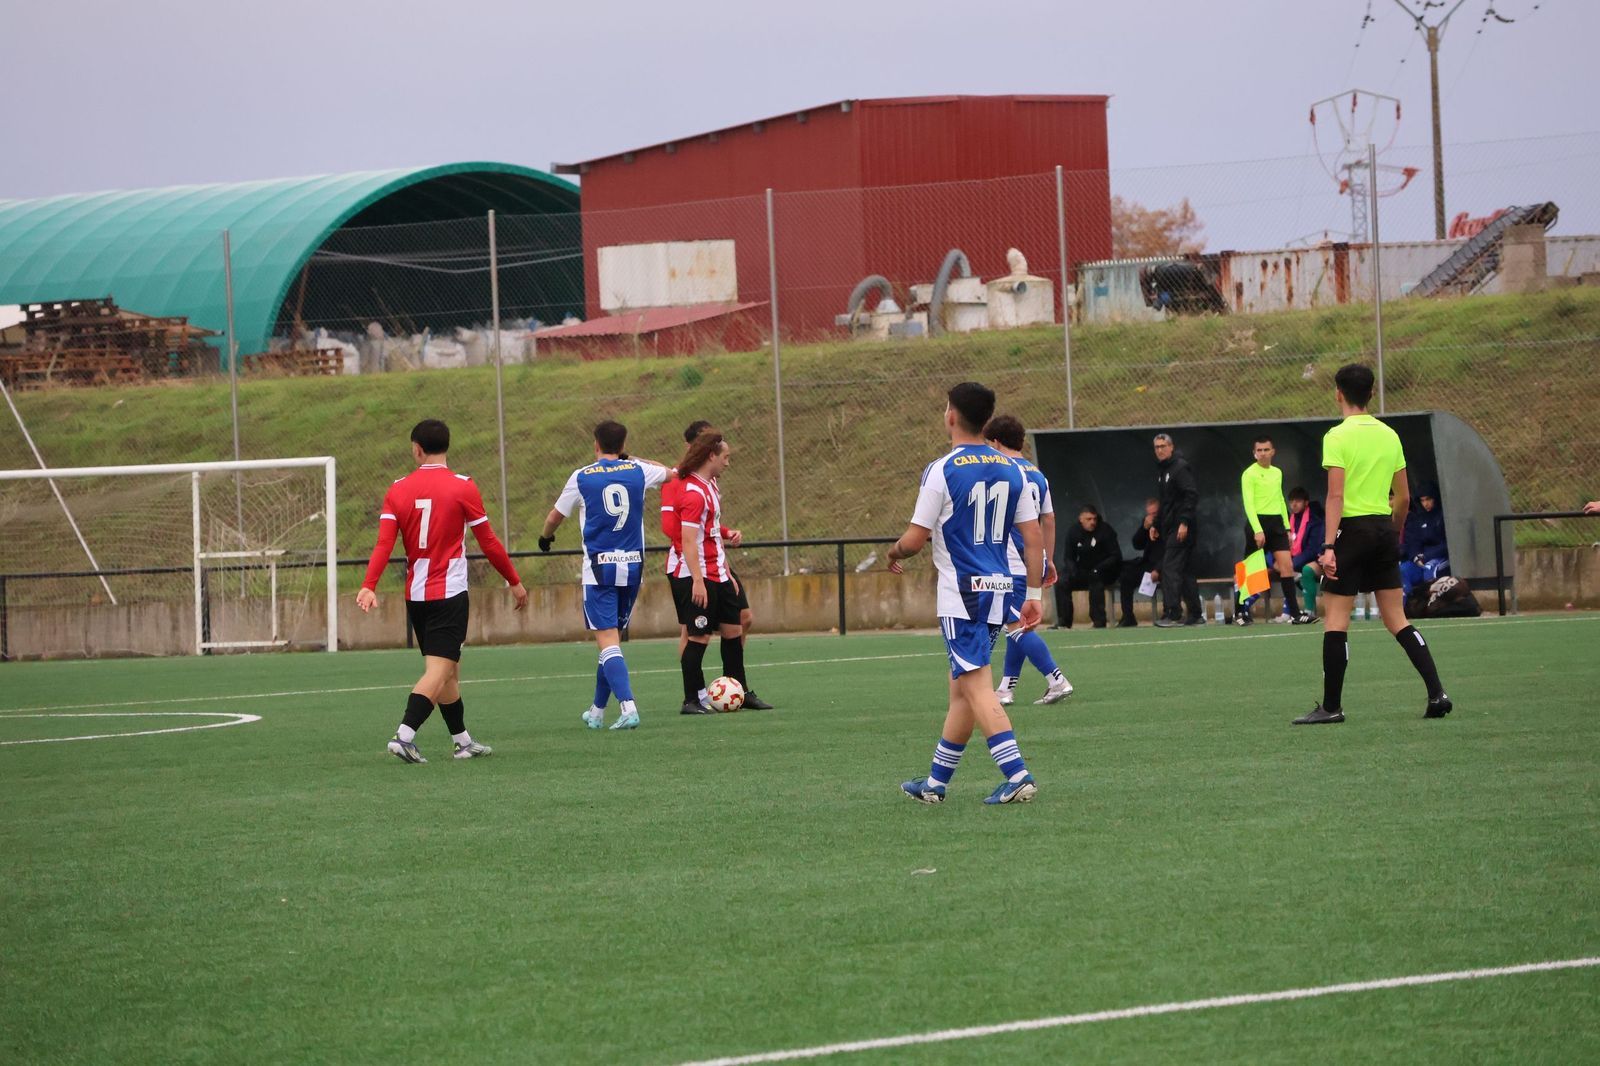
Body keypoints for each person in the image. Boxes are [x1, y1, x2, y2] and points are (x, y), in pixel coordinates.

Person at [889, 382, 1045, 806]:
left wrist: (894, 551)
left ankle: (1017, 775)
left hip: (962, 595)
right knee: (961, 687)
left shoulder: (942, 470)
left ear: (951, 416)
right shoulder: (1012, 468)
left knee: (976, 687)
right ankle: (935, 783)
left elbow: (915, 540)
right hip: (999, 590)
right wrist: (1034, 593)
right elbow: (1032, 536)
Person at [358, 419, 528, 763]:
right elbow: (488, 541)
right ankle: (404, 736)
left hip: (416, 596)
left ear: (416, 449)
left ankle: (463, 742)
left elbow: (384, 544)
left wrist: (369, 584)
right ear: (447, 446)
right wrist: (513, 580)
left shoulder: (397, 489)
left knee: (448, 670)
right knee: (438, 670)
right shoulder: (463, 486)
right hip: (449, 594)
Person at [1293, 364, 1452, 725]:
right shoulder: (1389, 435)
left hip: (1351, 530)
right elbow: (1404, 498)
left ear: (1338, 393)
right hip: (1382, 528)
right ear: (1370, 394)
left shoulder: (1336, 436)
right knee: (1397, 619)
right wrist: (1392, 532)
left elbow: (1336, 496)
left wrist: (1328, 546)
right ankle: (1437, 693)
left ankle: (1331, 707)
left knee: (1336, 620)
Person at [537, 421, 672, 731]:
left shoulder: (582, 476)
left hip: (599, 569)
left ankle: (628, 707)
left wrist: (545, 537)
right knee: (611, 642)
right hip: (633, 567)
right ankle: (597, 711)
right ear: (623, 445)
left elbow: (554, 516)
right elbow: (669, 472)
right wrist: (632, 458)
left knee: (608, 641)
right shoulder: (638, 470)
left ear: (595, 444)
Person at [660, 420, 773, 710]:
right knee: (698, 636)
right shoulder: (693, 493)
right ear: (711, 455)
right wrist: (698, 580)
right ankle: (691, 699)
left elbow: (709, 534)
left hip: (718, 573)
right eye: (725, 457)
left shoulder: (709, 487)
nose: (727, 463)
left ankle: (740, 691)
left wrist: (726, 573)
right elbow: (688, 540)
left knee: (734, 631)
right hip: (698, 575)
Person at [982, 414, 1072, 706]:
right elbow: (1049, 519)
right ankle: (1005, 689)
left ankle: (1056, 679)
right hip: (1035, 559)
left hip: (1010, 562)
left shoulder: (1001, 473)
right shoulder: (1038, 475)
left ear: (997, 442)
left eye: (990, 444)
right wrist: (1049, 559)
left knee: (1015, 624)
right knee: (1018, 624)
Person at [1238, 435, 1313, 625]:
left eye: (1266, 450)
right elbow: (1248, 503)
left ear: (1273, 452)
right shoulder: (1249, 474)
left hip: (1277, 524)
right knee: (1250, 570)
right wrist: (1257, 529)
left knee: (1287, 567)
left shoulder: (1277, 472)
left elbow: (1280, 499)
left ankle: (1295, 614)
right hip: (1258, 523)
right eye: (1259, 450)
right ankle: (1240, 612)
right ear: (1254, 453)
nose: (1263, 453)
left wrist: (1287, 528)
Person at [1151, 433, 1203, 627]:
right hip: (1171, 527)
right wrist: (1156, 523)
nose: (1160, 450)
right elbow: (1165, 502)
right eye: (1157, 447)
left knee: (1170, 569)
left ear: (1171, 447)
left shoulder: (1179, 468)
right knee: (1185, 571)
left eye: (1163, 446)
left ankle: (1173, 613)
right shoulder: (1163, 470)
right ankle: (1196, 614)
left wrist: (1184, 522)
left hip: (1181, 528)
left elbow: (1191, 495)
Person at [1060, 505, 1122, 628]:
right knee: (1063, 581)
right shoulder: (1074, 532)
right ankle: (1064, 621)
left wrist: (1099, 569)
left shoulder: (1105, 530)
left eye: (1094, 519)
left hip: (1104, 571)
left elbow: (1115, 556)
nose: (1092, 522)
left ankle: (1099, 621)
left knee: (1096, 580)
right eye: (1088, 519)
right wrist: (1073, 570)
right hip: (1083, 570)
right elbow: (1068, 557)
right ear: (1081, 519)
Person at [1399, 481, 1450, 598]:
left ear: (1435, 498)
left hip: (1441, 557)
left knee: (1430, 570)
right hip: (1421, 558)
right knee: (1402, 570)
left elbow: (1449, 543)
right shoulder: (1418, 518)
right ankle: (1404, 606)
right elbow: (1413, 541)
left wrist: (1426, 556)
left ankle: (1433, 604)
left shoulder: (1444, 516)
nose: (1425, 504)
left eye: (1428, 499)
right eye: (1422, 500)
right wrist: (1415, 556)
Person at [1118, 498, 1162, 626]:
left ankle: (1169, 613)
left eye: (1155, 513)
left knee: (1170, 577)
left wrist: (1158, 569)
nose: (1152, 517)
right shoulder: (1147, 523)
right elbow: (1137, 544)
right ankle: (1128, 617)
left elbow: (1170, 552)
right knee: (1126, 577)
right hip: (1148, 564)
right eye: (1150, 514)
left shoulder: (1167, 523)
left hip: (1165, 564)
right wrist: (1144, 528)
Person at [1288, 487, 1325, 618]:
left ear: (1306, 503)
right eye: (1291, 501)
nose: (1294, 504)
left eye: (1298, 501)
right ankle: (1287, 613)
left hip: (1317, 559)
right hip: (1294, 561)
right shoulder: (1288, 521)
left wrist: (1291, 563)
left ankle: (1309, 611)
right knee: (1278, 567)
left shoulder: (1315, 521)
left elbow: (1313, 550)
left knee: (1306, 570)